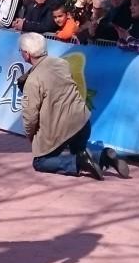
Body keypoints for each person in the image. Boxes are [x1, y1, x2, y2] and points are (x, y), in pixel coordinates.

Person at [19, 32, 128, 179]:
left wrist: (31, 136)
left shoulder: (32, 81)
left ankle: (78, 162)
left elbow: (30, 116)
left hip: (60, 129)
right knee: (78, 150)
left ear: (26, 54)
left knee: (41, 162)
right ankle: (103, 156)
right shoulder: (62, 63)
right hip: (82, 121)